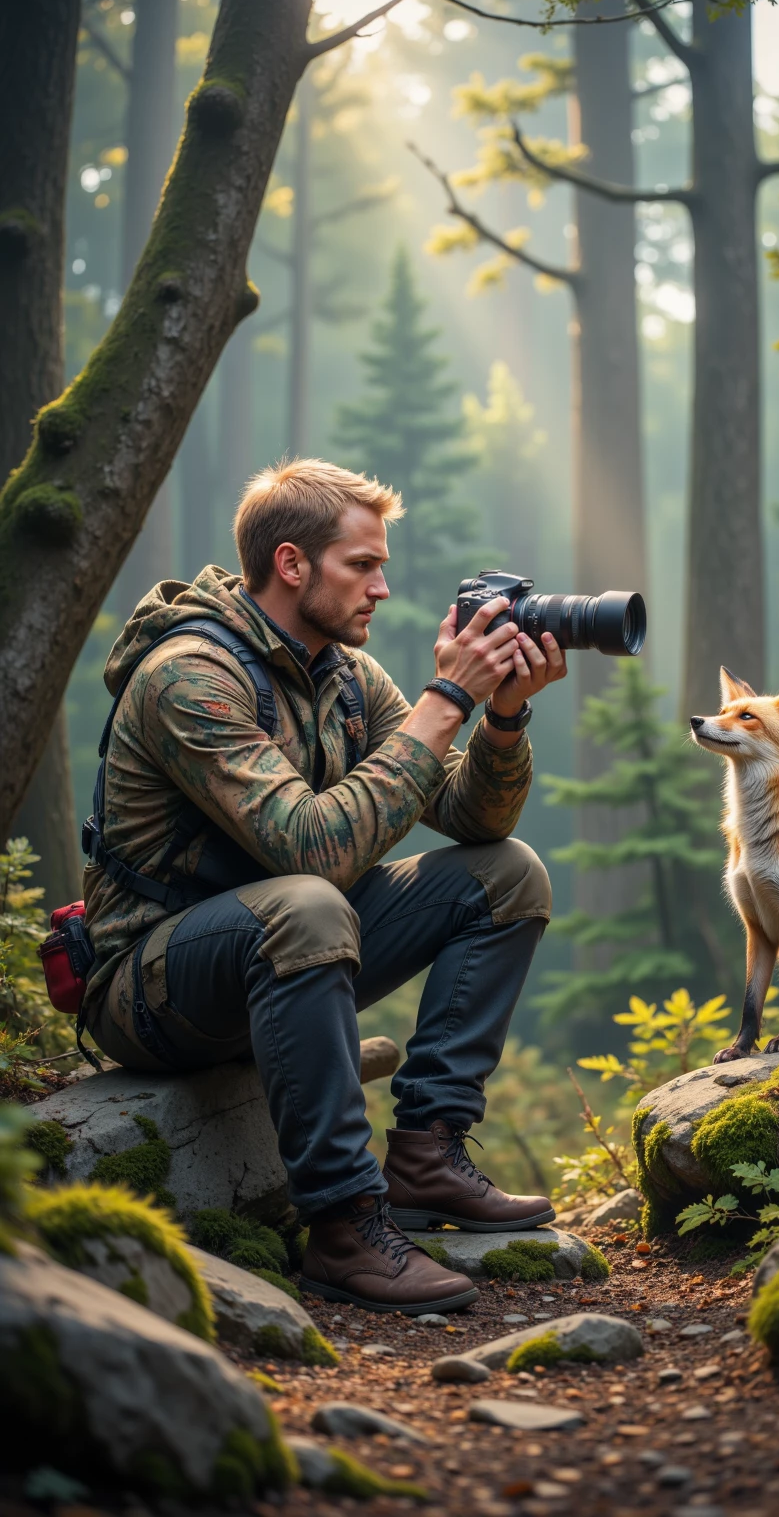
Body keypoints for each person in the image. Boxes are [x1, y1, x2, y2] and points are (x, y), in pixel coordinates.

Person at [82, 458, 568, 1315]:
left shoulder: (343, 673)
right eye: (363, 565)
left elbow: (473, 821)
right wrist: (447, 696)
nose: (383, 587)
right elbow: (312, 852)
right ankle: (344, 1229)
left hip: (280, 949)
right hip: (152, 984)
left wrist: (501, 717)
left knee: (506, 877)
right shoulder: (189, 675)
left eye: (382, 565)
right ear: (292, 565)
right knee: (310, 902)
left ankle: (427, 1156)